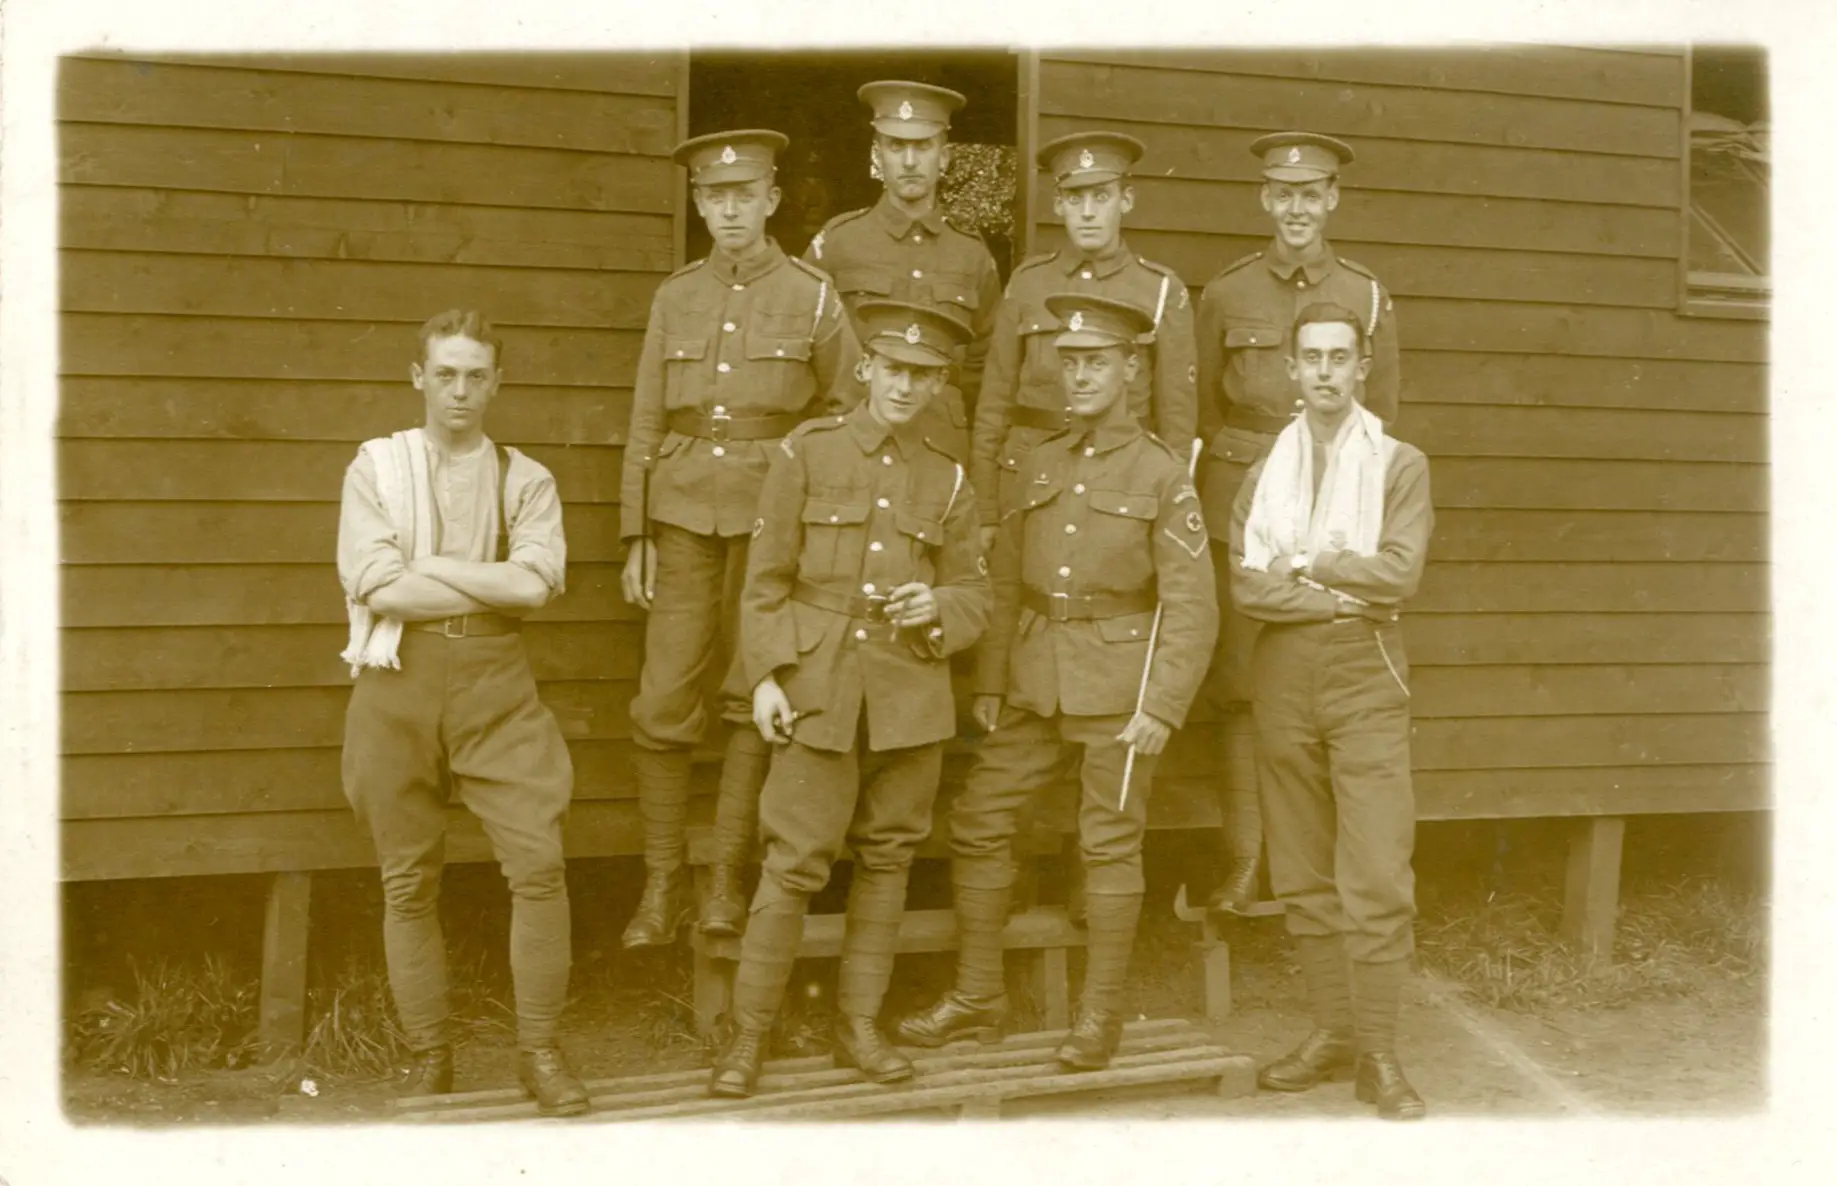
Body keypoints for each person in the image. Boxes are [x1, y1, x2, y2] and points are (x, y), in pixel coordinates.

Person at [895, 294, 1217, 1072]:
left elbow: (1192, 604)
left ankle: (1097, 1016)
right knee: (977, 820)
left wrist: (1161, 708)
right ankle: (978, 996)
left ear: (1129, 369)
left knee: (1108, 841)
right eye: (1068, 362)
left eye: (1094, 362)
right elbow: (1004, 582)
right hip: (1035, 681)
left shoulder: (1161, 474)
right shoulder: (1037, 461)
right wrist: (994, 683)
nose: (1077, 377)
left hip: (1120, 689)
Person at [708, 300, 990, 1098]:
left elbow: (974, 591)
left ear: (940, 384)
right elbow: (762, 582)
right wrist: (764, 676)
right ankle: (748, 1035)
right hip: (817, 685)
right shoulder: (807, 451)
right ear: (866, 368)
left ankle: (857, 1024)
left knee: (889, 858)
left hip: (908, 691)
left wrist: (937, 607)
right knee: (794, 861)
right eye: (893, 369)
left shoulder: (949, 475)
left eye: (924, 375)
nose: (906, 386)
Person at [336, 310, 588, 1116]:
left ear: (497, 383)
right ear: (418, 377)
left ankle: (540, 1051)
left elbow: (536, 587)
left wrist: (438, 564)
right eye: (445, 373)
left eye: (476, 375)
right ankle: (428, 1056)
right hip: (397, 676)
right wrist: (487, 575)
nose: (460, 391)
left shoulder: (525, 477)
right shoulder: (377, 466)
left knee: (538, 866)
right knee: (408, 879)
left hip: (495, 680)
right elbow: (376, 584)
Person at [619, 129, 861, 948]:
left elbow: (844, 410)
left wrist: (806, 504)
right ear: (698, 205)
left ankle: (724, 877)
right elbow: (647, 417)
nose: (728, 209)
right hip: (683, 513)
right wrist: (634, 531)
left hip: (770, 524)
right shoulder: (675, 296)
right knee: (661, 703)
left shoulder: (813, 295)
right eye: (712, 197)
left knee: (747, 696)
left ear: (770, 201)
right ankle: (659, 885)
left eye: (743, 195)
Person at [1229, 302, 1432, 1121]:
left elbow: (1397, 575)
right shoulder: (1262, 469)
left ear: (1361, 365)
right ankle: (1331, 1034)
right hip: (1283, 675)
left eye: (1337, 357)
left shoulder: (1398, 463)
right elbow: (1247, 585)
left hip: (1365, 673)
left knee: (1376, 866)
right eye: (1308, 356)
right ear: (1290, 367)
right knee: (1303, 868)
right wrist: (1333, 596)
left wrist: (1307, 564)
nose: (1322, 371)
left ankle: (1378, 1052)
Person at [1194, 131, 1402, 917]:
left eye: (1309, 193)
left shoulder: (1366, 295)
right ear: (1263, 199)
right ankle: (1248, 863)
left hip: (1336, 510)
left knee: (1327, 672)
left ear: (1331, 200)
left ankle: (1310, 864)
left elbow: (1384, 420)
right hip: (1241, 500)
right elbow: (1206, 411)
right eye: (1282, 194)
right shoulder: (1226, 293)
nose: (1295, 209)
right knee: (1243, 685)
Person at [970, 131, 1197, 557]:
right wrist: (985, 508)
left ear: (1126, 199)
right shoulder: (1028, 282)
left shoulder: (1161, 290)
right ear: (1058, 205)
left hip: (1122, 487)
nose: (1088, 213)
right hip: (1028, 479)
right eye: (1075, 199)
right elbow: (994, 404)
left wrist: (1169, 504)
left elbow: (1177, 426)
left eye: (1101, 196)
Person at [804, 79, 1003, 463]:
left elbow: (987, 364)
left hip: (940, 450)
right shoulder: (838, 242)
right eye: (896, 146)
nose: (909, 161)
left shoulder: (971, 254)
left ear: (944, 157)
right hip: (850, 448)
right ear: (878, 155)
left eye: (923, 146)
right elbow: (804, 346)